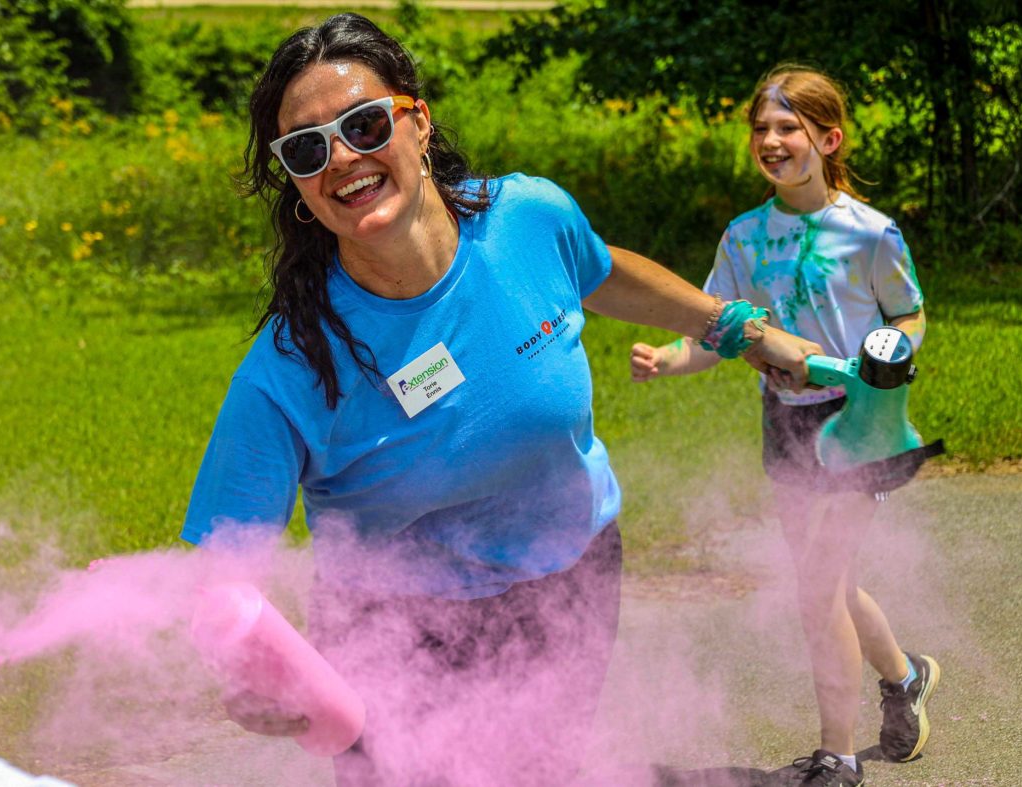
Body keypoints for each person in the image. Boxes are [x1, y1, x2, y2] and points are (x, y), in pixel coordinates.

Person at [180, 14, 819, 786]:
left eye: (364, 122)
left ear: (416, 121)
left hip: (572, 571)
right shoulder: (288, 367)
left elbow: (597, 268)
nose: (342, 157)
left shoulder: (526, 218)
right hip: (398, 635)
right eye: (308, 148)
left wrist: (737, 328)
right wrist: (244, 667)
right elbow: (222, 572)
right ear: (296, 183)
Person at [630, 65, 940, 786]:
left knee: (818, 586)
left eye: (787, 127)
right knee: (827, 580)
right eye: (761, 129)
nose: (770, 141)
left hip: (860, 423)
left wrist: (893, 351)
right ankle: (904, 678)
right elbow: (716, 329)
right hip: (786, 424)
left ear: (828, 139)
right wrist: (668, 359)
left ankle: (837, 754)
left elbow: (909, 313)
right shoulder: (742, 239)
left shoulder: (871, 234)